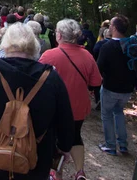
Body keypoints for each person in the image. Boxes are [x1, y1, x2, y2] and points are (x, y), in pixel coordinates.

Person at [0, 23, 75, 180]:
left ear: (6, 44)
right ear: (33, 45)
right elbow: (65, 118)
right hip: (37, 155)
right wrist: (64, 147)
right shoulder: (51, 78)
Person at [39, 19, 102, 180]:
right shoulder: (87, 56)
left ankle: (55, 173)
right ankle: (80, 171)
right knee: (75, 136)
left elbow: (36, 80)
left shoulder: (49, 56)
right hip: (79, 106)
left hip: (55, 108)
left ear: (58, 35)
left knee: (53, 139)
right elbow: (96, 82)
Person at [96, 15, 135, 155]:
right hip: (127, 89)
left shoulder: (107, 47)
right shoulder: (131, 45)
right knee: (118, 112)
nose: (109, 27)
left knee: (106, 115)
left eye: (111, 25)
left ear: (115, 27)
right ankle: (123, 144)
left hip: (110, 87)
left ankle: (110, 145)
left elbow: (98, 67)